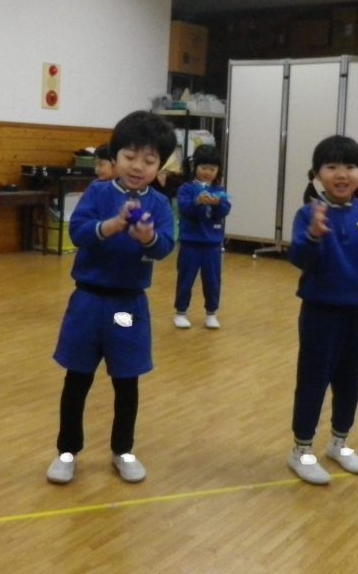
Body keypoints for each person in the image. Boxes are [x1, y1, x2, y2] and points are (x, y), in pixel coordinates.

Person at [46, 111, 177, 485]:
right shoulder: (98, 192)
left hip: (126, 307)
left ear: (159, 165)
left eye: (148, 160)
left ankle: (123, 450)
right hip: (88, 302)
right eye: (130, 156)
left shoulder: (160, 204)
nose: (137, 166)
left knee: (126, 380)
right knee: (77, 379)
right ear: (115, 156)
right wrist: (114, 225)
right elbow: (78, 232)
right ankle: (67, 452)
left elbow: (166, 246)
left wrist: (148, 238)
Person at [286, 135, 358, 485]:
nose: (341, 173)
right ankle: (302, 450)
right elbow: (299, 258)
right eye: (331, 166)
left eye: (350, 166)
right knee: (313, 380)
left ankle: (340, 443)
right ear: (317, 174)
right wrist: (314, 236)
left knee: (350, 379)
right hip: (321, 312)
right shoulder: (309, 213)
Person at [173, 144, 231, 329]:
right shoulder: (186, 188)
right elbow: (184, 209)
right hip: (190, 244)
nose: (207, 172)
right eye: (204, 167)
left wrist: (217, 204)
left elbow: (225, 209)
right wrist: (196, 202)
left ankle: (211, 313)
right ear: (195, 167)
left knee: (212, 281)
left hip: (212, 245)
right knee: (186, 279)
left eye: (212, 169)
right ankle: (181, 312)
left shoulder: (219, 190)